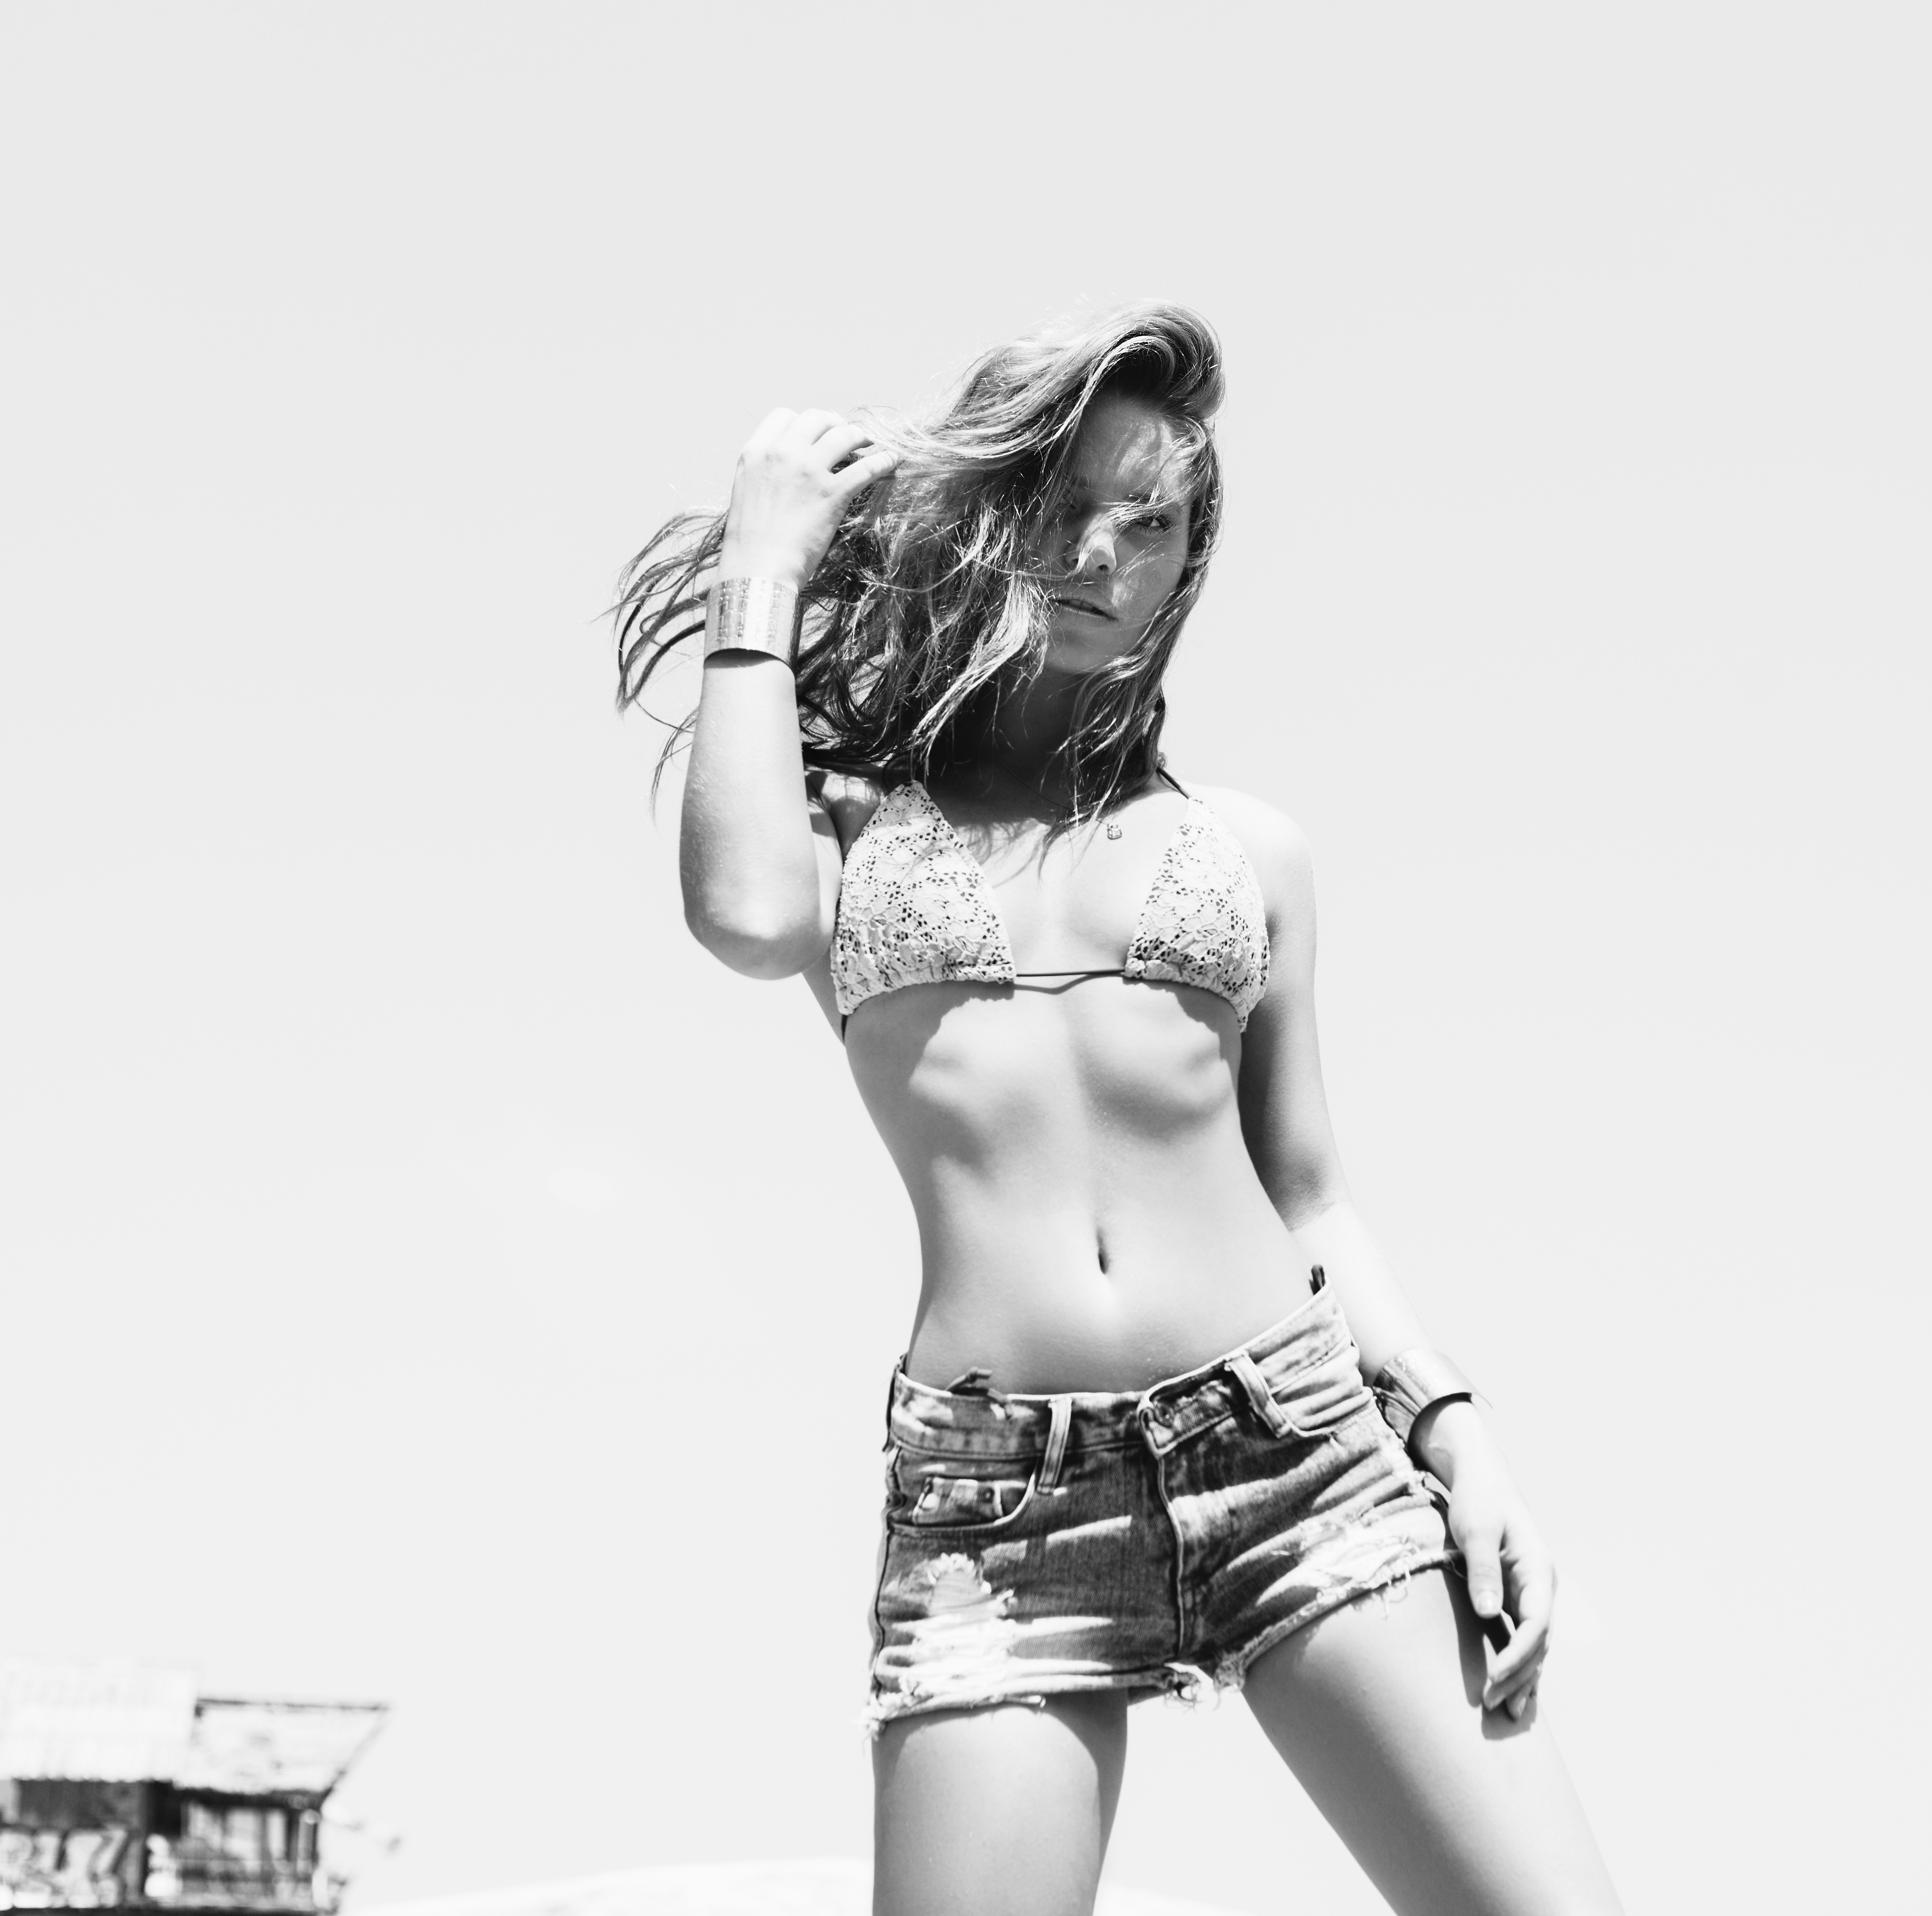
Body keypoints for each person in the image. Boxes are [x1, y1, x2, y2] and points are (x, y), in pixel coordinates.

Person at [616, 305, 1622, 1916]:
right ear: (995, 512)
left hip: (1300, 1454)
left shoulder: (1250, 851)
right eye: (1067, 506)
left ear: (1188, 563)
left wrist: (1459, 1435)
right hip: (999, 1509)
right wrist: (763, 562)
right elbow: (741, 915)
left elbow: (1311, 1197)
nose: (1102, 557)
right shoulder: (848, 822)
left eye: (1149, 525)